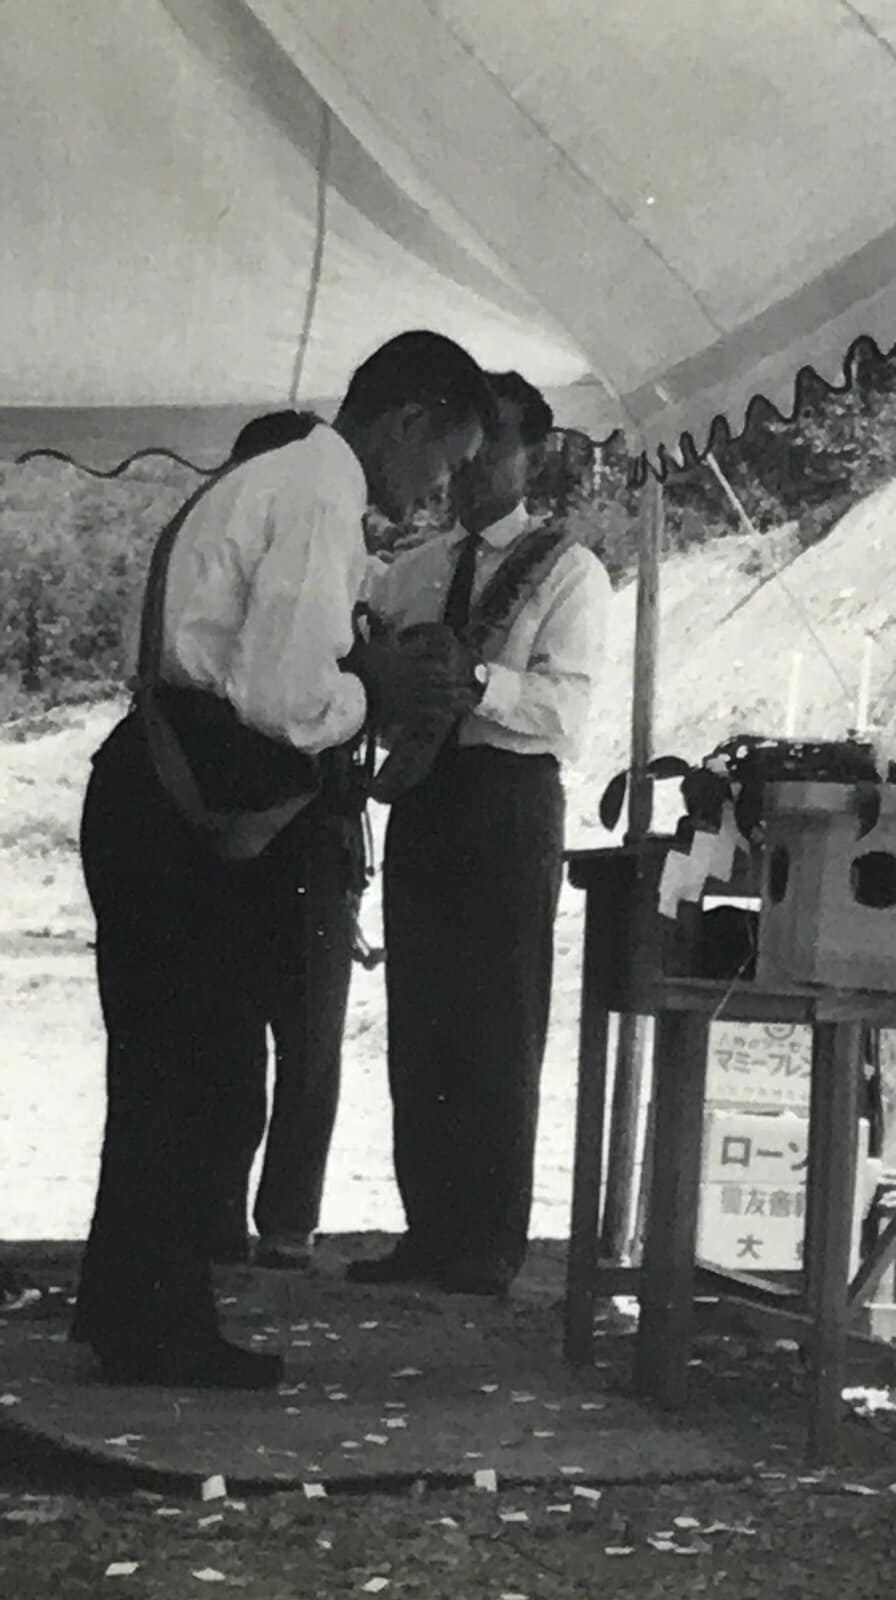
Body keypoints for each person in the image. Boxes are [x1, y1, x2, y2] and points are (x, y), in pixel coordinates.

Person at [72, 332, 493, 1389]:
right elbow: (281, 697)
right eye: (439, 464)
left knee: (168, 1066)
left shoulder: (288, 478)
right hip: (187, 792)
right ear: (404, 423)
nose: (433, 493)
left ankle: (129, 1307)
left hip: (162, 783)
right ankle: (155, 1329)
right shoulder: (315, 494)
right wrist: (376, 693)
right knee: (201, 1072)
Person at [349, 372, 609, 1296]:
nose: (474, 466)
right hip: (425, 795)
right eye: (468, 444)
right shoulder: (412, 569)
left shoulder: (569, 572)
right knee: (422, 1018)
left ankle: (490, 1241)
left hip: (508, 796)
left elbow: (567, 712)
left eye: (496, 444)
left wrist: (481, 684)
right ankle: (428, 1231)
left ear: (534, 453)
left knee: (498, 1020)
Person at [203, 409, 364, 1272]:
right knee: (231, 1038)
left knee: (308, 1042)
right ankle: (225, 1215)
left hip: (314, 834)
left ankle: (287, 1220)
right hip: (239, 830)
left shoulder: (332, 561)